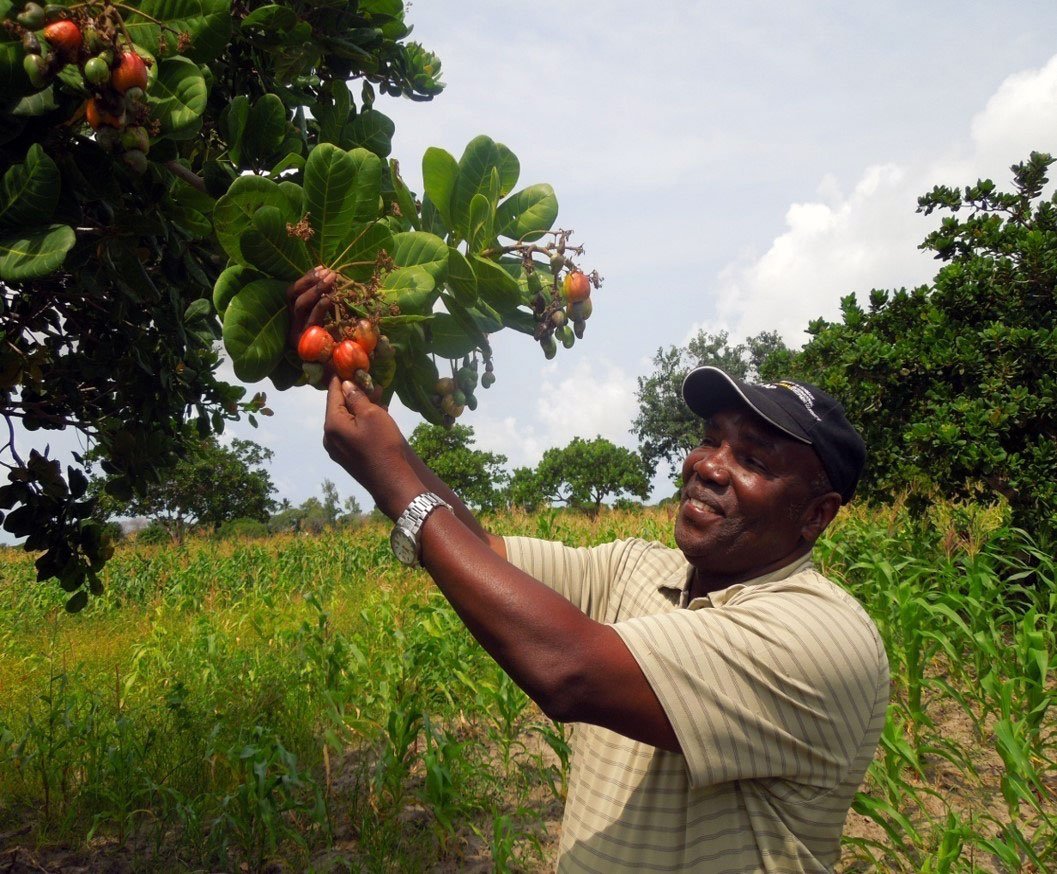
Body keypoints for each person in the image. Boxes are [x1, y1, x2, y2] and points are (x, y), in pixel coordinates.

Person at [288, 270, 890, 873]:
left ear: (816, 515)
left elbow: (567, 671)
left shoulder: (819, 636)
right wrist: (355, 375)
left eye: (753, 459)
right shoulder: (640, 570)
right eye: (711, 440)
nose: (707, 466)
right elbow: (480, 551)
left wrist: (392, 483)